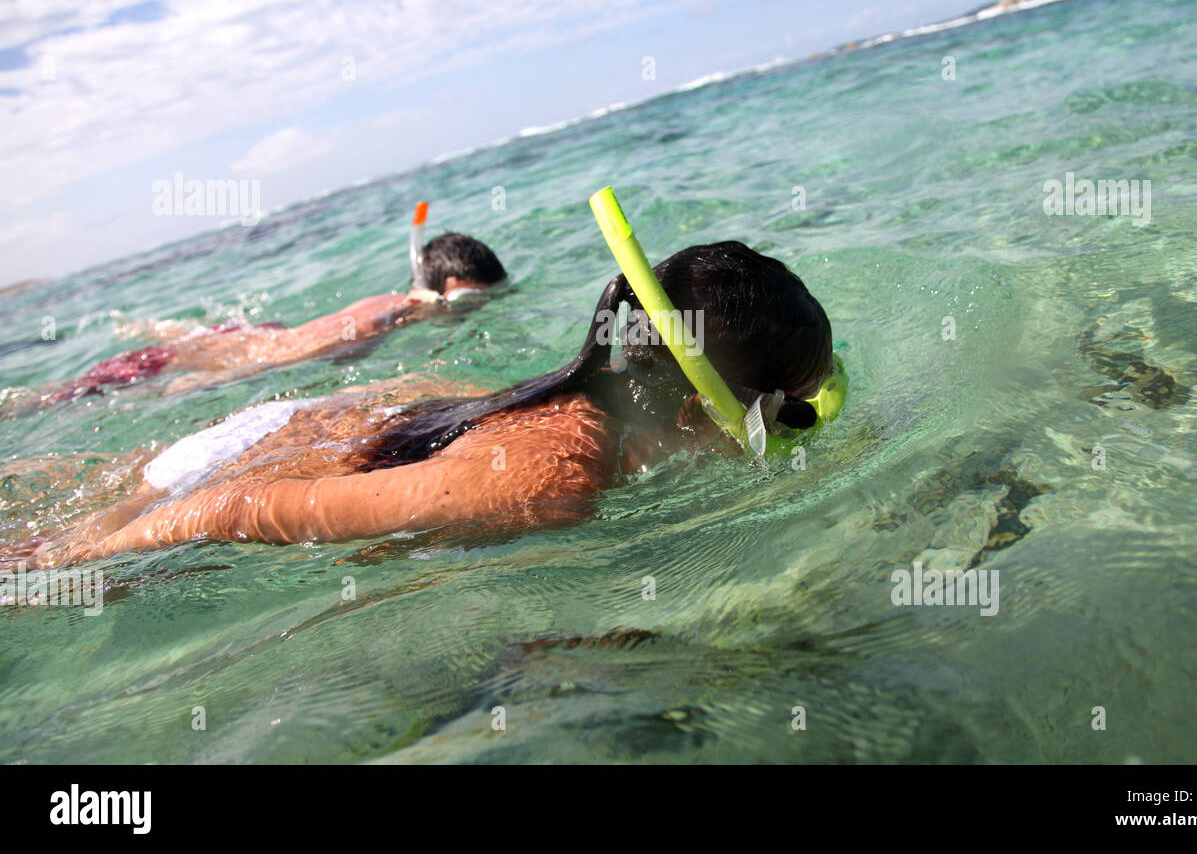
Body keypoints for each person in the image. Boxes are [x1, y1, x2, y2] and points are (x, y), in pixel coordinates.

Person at [14, 238, 840, 569]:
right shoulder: (552, 479)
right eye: (789, 417)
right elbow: (237, 504)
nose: (791, 437)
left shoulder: (577, 394)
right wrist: (70, 561)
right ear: (708, 408)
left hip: (295, 430)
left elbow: (413, 402)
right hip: (225, 482)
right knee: (29, 552)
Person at [24, 212, 506, 405]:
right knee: (59, 397)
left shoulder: (397, 308)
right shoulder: (384, 313)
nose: (470, 311)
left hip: (244, 334)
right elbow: (286, 359)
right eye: (466, 300)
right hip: (209, 355)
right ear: (431, 291)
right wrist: (204, 382)